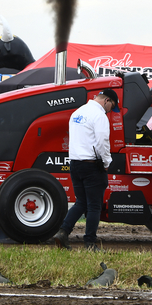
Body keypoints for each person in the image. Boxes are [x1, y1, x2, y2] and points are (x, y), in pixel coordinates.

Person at [53, 89, 119, 252]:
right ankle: (90, 243)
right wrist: (106, 162)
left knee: (81, 202)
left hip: (75, 163)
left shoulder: (78, 112)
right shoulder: (99, 116)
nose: (110, 110)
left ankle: (63, 232)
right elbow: (102, 142)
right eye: (112, 106)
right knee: (94, 206)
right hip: (92, 164)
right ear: (107, 101)